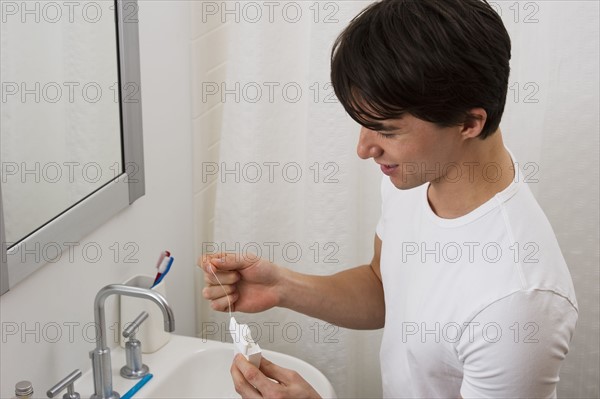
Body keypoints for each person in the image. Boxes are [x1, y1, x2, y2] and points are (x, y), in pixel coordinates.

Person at [199, 0, 578, 397]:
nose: (363, 149)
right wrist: (283, 287)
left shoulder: (518, 301)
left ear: (469, 122)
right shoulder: (418, 175)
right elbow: (384, 285)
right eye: (363, 124)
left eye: (386, 130)